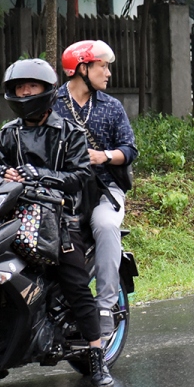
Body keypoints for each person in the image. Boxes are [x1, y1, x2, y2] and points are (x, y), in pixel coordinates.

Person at [0, 58, 113, 387]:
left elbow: (80, 176)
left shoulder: (70, 133)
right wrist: (2, 173)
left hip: (61, 220)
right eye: (20, 87)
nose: (26, 91)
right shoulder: (6, 135)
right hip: (13, 220)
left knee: (75, 284)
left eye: (32, 86)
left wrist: (40, 175)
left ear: (46, 91)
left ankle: (96, 355)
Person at [54, 40, 138, 342]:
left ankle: (104, 307)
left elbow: (130, 150)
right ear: (82, 67)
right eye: (103, 65)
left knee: (104, 225)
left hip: (104, 189)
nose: (109, 73)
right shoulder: (52, 103)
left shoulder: (111, 107)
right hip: (60, 191)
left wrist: (104, 156)